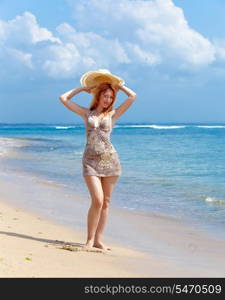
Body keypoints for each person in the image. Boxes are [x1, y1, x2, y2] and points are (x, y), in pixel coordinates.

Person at [59, 81, 136, 250]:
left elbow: (132, 97)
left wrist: (119, 84)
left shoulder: (113, 115)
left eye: (111, 97)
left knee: (106, 202)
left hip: (111, 161)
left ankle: (98, 240)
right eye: (105, 96)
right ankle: (89, 240)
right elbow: (63, 98)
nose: (108, 100)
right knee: (98, 200)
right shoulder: (87, 113)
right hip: (90, 162)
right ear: (98, 96)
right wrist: (82, 89)